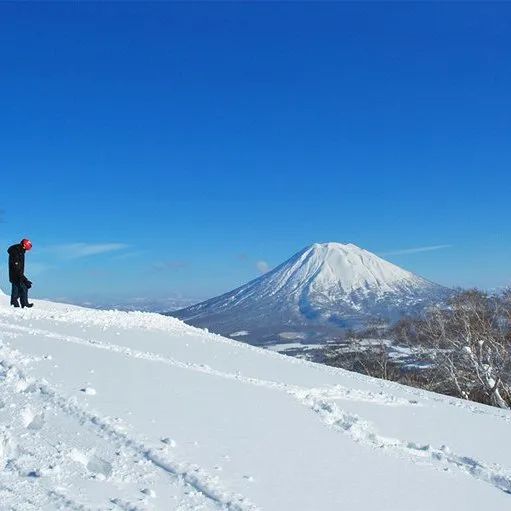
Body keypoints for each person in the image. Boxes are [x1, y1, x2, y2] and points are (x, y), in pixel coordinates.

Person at [7, 238, 33, 308]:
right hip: (16, 275)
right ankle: (23, 304)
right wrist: (24, 279)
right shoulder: (16, 251)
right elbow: (16, 266)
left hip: (17, 274)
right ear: (25, 245)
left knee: (17, 290)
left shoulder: (20, 251)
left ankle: (15, 304)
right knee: (23, 288)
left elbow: (18, 267)